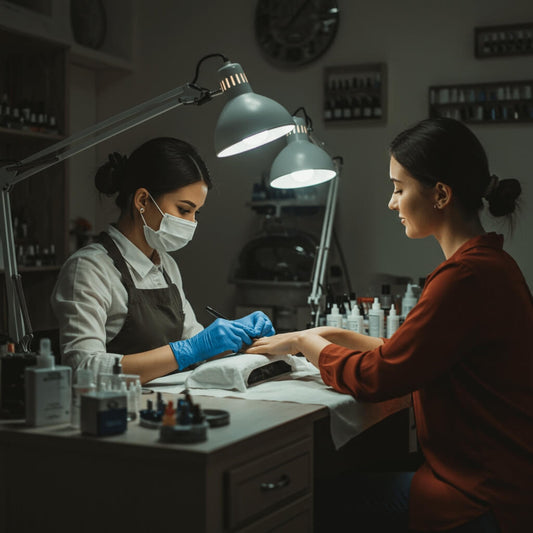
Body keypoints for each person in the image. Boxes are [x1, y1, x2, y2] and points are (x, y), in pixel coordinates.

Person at [246, 118, 532, 532]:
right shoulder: (490, 265)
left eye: (399, 188)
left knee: (311, 505)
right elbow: (411, 352)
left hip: (479, 495)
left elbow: (380, 376)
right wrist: (329, 336)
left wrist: (311, 346)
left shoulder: (464, 278)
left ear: (441, 195)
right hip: (504, 478)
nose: (391, 202)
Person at [52, 137, 274, 384]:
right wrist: (188, 350)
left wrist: (237, 337)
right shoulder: (89, 269)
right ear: (143, 201)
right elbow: (83, 368)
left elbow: (195, 343)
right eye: (184, 210)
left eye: (195, 213)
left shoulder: (166, 265)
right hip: (114, 411)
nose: (191, 223)